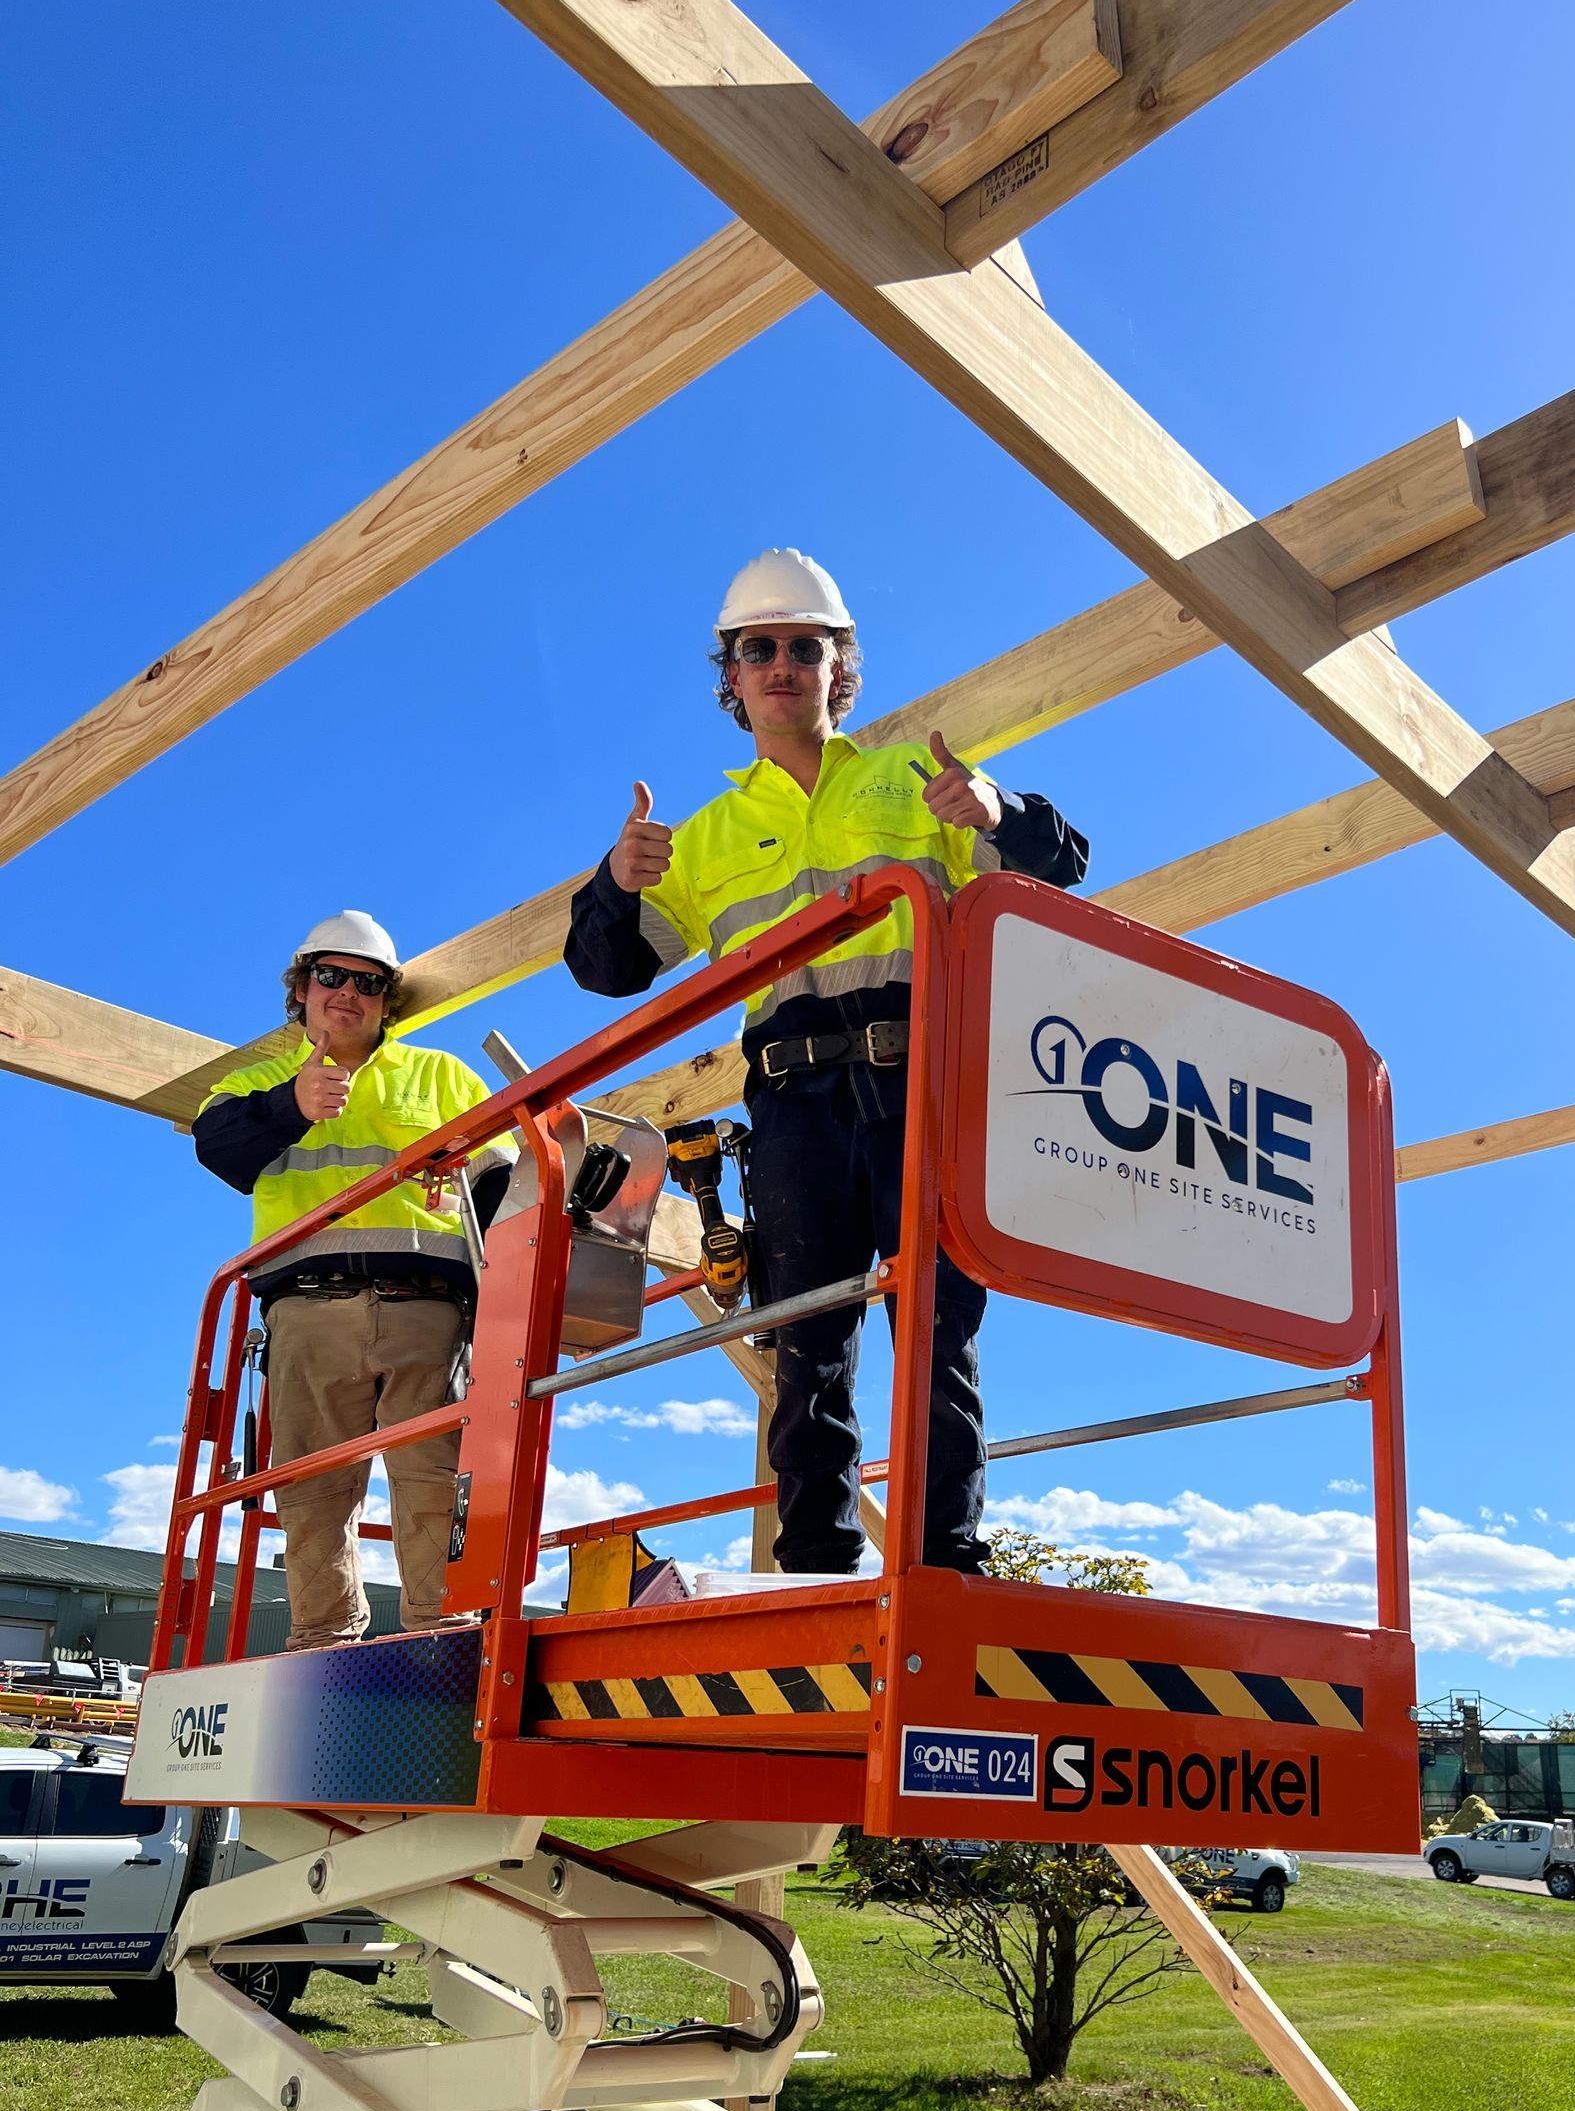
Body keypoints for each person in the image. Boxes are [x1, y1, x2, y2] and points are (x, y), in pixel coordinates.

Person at [564, 548, 1088, 1576]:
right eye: (760, 649)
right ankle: (815, 1559)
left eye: (806, 647)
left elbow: (1062, 867)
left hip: (919, 1087)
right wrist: (612, 884)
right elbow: (608, 968)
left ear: (839, 668)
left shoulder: (915, 778)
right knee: (807, 1338)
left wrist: (995, 812)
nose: (783, 665)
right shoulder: (704, 837)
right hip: (796, 1104)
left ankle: (946, 1560)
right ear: (733, 675)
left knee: (939, 1330)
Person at [193, 913, 513, 1649]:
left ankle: (443, 1635)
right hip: (308, 1316)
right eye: (330, 976)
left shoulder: (441, 1076)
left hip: (426, 1313)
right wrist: (290, 1107)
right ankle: (324, 1642)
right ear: (300, 989)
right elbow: (220, 1150)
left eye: (368, 982)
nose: (348, 993)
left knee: (435, 1476)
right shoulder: (254, 1084)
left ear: (386, 1000)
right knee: (312, 1490)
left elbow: (501, 1191)